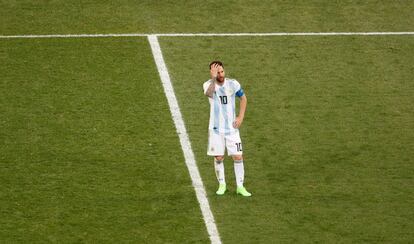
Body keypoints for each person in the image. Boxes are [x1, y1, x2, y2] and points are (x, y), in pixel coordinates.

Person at [203, 61, 251, 197]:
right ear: (212, 73)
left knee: (238, 156)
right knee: (219, 157)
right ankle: (222, 184)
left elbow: (243, 98)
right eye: (217, 72)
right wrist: (213, 78)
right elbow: (209, 93)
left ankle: (240, 186)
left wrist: (240, 117)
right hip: (216, 129)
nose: (220, 74)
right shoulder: (208, 85)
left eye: (222, 71)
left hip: (232, 129)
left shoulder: (233, 84)